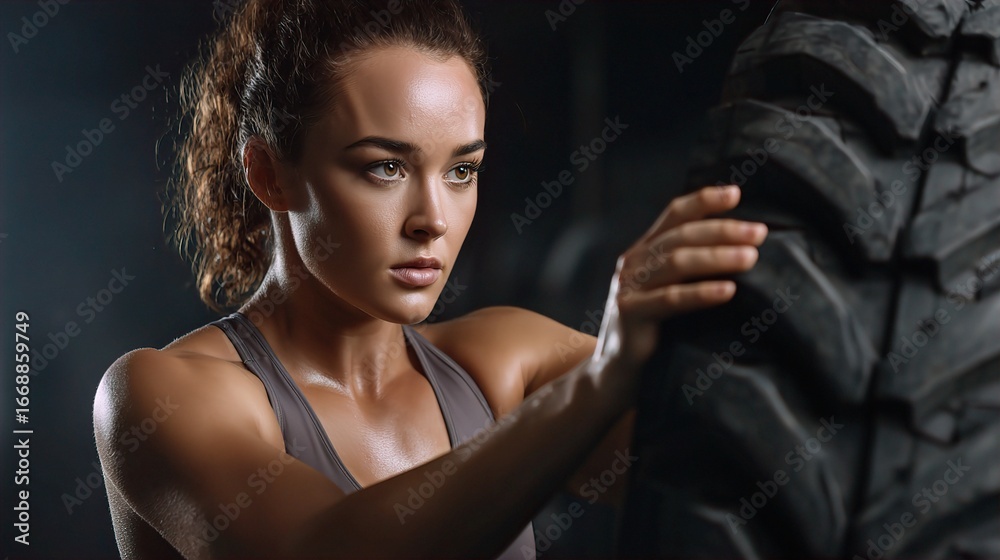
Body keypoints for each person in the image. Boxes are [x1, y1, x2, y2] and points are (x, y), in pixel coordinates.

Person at [92, 0, 768, 558]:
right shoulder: (159, 396)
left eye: (461, 170)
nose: (433, 220)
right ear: (270, 173)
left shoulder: (502, 363)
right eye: (385, 167)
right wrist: (597, 385)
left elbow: (744, 462)